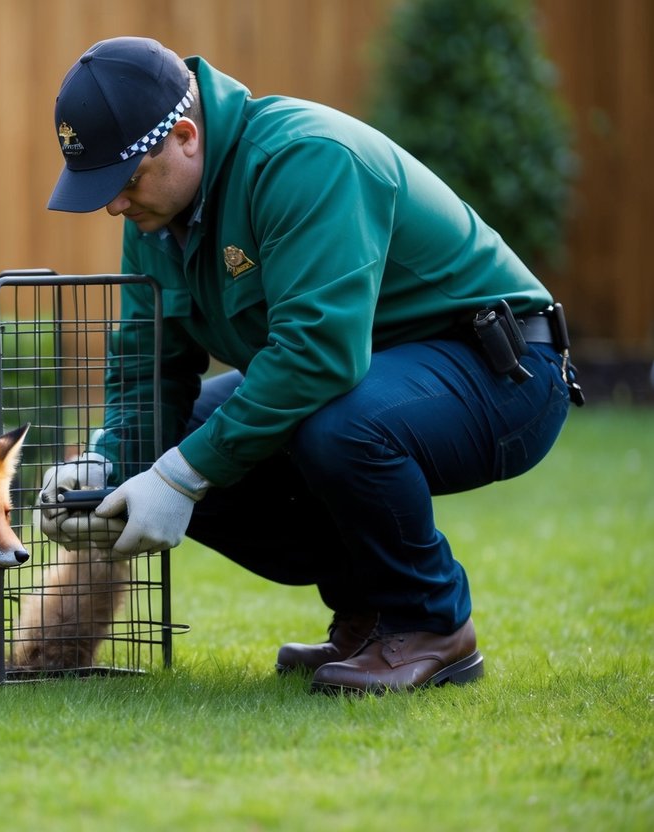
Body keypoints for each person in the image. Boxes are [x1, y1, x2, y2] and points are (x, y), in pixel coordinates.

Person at [38, 36, 581, 694]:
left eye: (122, 182)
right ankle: (368, 615)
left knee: (333, 425)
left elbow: (315, 353)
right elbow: (145, 366)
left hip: (502, 373)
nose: (114, 205)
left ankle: (431, 625)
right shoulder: (156, 213)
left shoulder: (303, 158)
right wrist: (107, 462)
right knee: (188, 436)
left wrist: (179, 477)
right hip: (366, 377)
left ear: (183, 136)